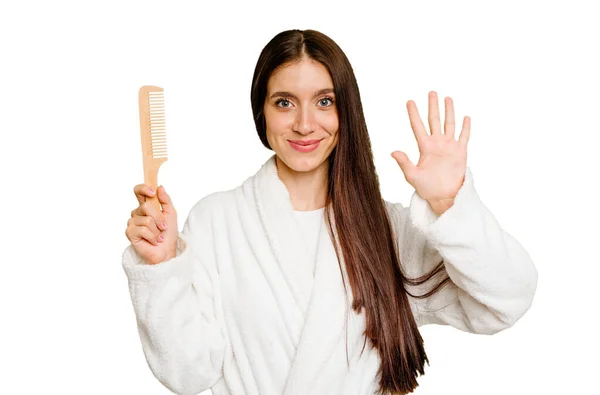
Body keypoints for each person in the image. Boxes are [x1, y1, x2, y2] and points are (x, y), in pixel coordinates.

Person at [122, 29, 538, 395]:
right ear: (260, 114)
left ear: (346, 112)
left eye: (324, 101)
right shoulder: (218, 221)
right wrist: (161, 268)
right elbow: (188, 373)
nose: (305, 124)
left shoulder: (387, 230)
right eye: (284, 103)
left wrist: (450, 205)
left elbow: (506, 301)